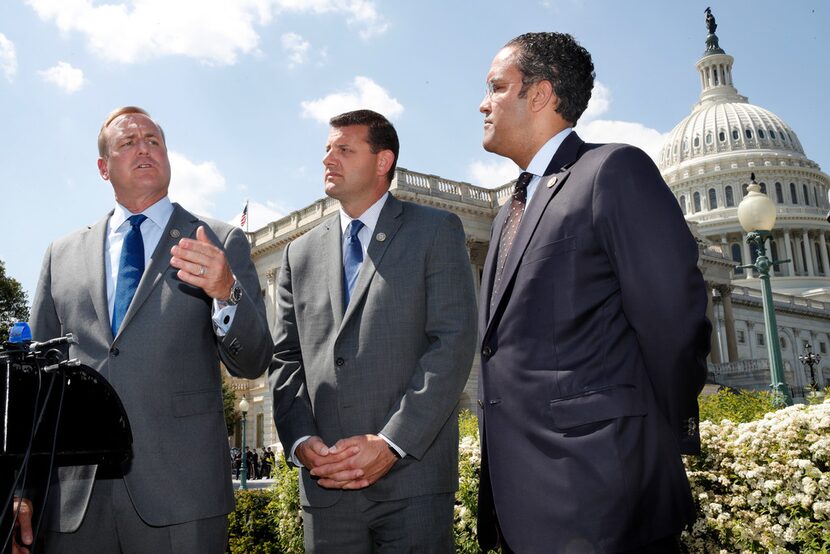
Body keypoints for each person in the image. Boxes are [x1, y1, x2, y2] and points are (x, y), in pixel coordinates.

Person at [475, 33, 711, 553]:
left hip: (605, 494)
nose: (483, 102)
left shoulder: (612, 170)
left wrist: (645, 435)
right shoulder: (506, 215)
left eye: (496, 87)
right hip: (523, 504)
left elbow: (675, 323)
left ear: (538, 95)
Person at [14, 106, 273, 553]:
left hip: (182, 497)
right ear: (103, 167)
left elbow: (254, 359)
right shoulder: (61, 254)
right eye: (128, 142)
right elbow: (37, 388)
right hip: (74, 500)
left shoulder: (217, 240)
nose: (144, 149)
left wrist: (225, 291)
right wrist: (23, 489)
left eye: (153, 140)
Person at [269, 109, 477, 552]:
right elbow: (285, 359)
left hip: (412, 482)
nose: (328, 159)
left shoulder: (436, 231)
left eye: (344, 149)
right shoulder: (297, 254)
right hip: (326, 486)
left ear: (383, 162)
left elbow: (453, 343)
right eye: (327, 149)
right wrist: (301, 439)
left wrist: (392, 443)